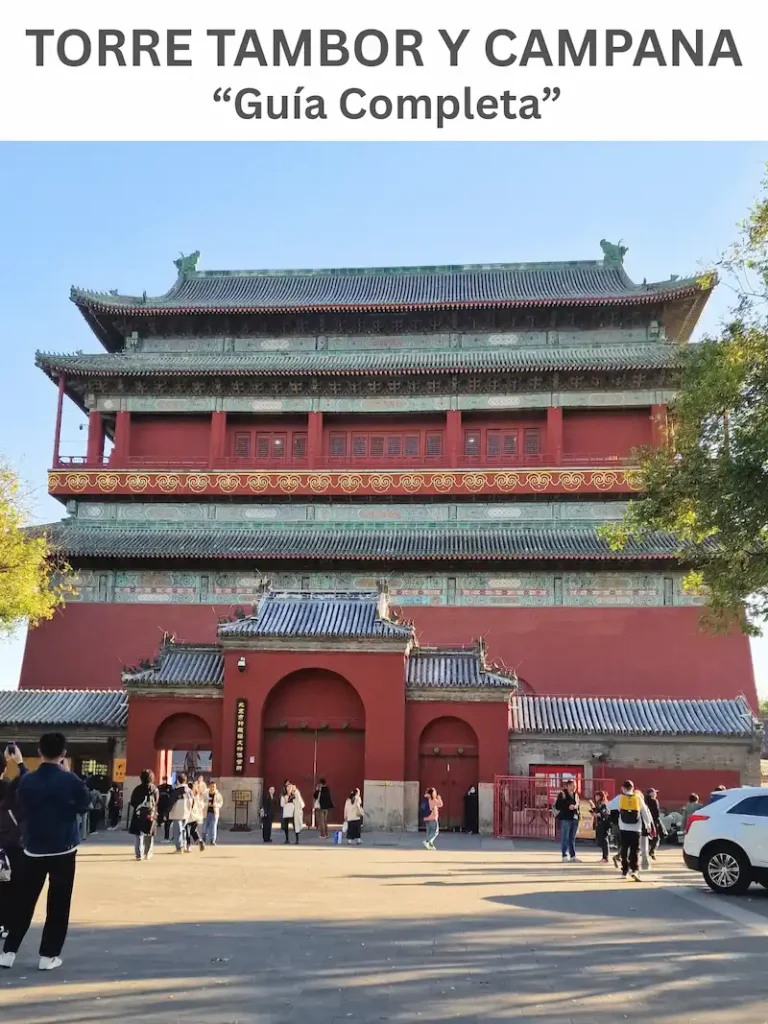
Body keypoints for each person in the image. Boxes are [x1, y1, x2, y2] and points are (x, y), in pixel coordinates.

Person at [0, 732, 91, 972]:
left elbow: (23, 789)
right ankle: (48, 955)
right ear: (63, 754)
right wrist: (68, 772)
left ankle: (8, 952)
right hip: (64, 848)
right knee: (58, 903)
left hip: (33, 848)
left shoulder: (28, 781)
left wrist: (20, 763)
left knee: (24, 901)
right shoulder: (70, 780)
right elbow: (84, 803)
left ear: (39, 752)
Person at [0, 744, 28, 941]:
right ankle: (6, 924)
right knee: (9, 887)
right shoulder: (8, 788)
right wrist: (19, 762)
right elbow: (26, 781)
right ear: (4, 768)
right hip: (9, 847)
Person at [618, 779, 652, 882]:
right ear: (632, 788)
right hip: (636, 829)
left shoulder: (620, 798)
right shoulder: (638, 798)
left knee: (624, 849)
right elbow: (644, 811)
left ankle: (624, 871)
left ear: (623, 788)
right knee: (635, 850)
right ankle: (634, 870)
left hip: (623, 828)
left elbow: (608, 806)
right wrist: (648, 824)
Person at [128, 770, 159, 861]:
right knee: (149, 834)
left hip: (139, 814)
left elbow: (133, 802)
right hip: (151, 814)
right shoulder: (155, 789)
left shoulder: (137, 789)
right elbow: (157, 801)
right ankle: (148, 853)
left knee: (139, 835)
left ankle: (139, 854)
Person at [554, 778, 581, 863]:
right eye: (573, 786)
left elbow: (578, 805)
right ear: (568, 786)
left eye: (575, 786)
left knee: (572, 838)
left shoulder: (576, 795)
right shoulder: (562, 794)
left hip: (574, 818)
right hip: (566, 818)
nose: (574, 787)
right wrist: (568, 806)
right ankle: (564, 855)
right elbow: (558, 805)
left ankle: (573, 856)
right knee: (565, 837)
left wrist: (578, 814)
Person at [168, 773, 194, 853]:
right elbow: (193, 802)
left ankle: (179, 848)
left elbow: (171, 802)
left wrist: (167, 812)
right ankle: (184, 845)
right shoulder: (189, 791)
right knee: (183, 830)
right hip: (187, 813)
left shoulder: (176, 791)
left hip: (177, 813)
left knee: (177, 831)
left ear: (178, 781)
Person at [187, 778, 207, 851]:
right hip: (196, 816)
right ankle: (199, 840)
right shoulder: (197, 796)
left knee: (187, 831)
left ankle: (188, 845)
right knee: (194, 830)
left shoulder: (188, 796)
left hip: (188, 816)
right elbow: (202, 806)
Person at [591, 790, 611, 863]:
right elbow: (597, 812)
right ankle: (604, 857)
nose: (596, 797)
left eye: (597, 796)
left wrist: (596, 814)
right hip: (599, 824)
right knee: (601, 840)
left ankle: (605, 857)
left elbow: (604, 813)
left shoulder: (604, 804)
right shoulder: (599, 804)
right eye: (595, 796)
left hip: (604, 824)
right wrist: (593, 808)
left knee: (604, 840)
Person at [645, 788, 664, 860]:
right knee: (656, 837)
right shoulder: (655, 801)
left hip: (646, 821)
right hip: (654, 822)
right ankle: (652, 851)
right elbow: (657, 814)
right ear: (650, 794)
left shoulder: (644, 801)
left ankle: (646, 850)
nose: (656, 794)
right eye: (654, 792)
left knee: (646, 837)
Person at [203, 782, 223, 846]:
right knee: (204, 827)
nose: (212, 788)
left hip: (214, 813)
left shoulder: (218, 795)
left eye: (214, 787)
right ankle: (204, 840)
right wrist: (207, 804)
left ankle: (212, 841)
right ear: (209, 787)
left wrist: (215, 805)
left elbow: (220, 803)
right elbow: (201, 802)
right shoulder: (205, 794)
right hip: (206, 812)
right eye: (211, 786)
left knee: (213, 828)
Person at [156, 777, 173, 841]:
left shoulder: (169, 787)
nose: (164, 781)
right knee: (160, 817)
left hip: (167, 806)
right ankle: (159, 822)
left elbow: (171, 795)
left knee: (167, 822)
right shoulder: (159, 787)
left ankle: (167, 837)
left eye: (165, 780)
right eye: (163, 780)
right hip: (160, 805)